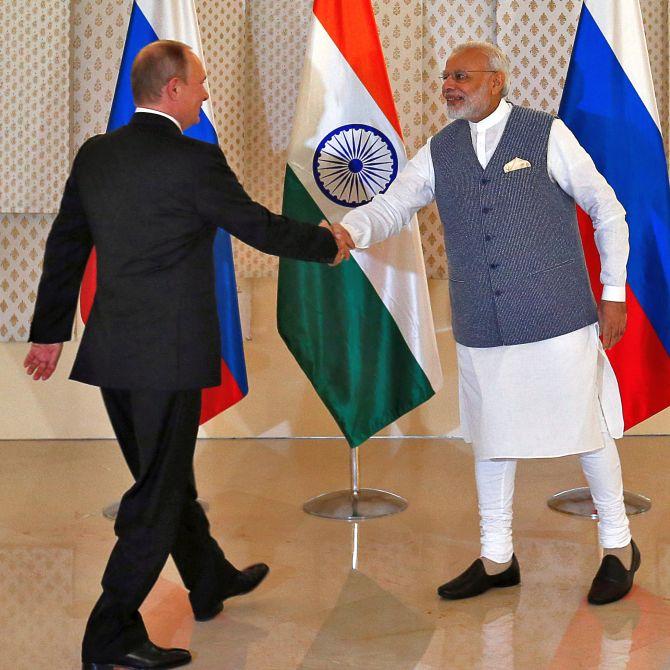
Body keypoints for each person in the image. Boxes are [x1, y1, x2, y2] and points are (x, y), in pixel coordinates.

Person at [25, 40, 349, 670]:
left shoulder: (97, 155)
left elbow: (66, 244)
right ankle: (110, 635)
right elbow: (255, 224)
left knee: (163, 478)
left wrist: (49, 332)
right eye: (200, 83)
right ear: (171, 88)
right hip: (166, 358)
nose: (205, 93)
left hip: (115, 355)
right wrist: (326, 243)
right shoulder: (194, 159)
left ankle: (208, 579)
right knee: (158, 495)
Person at [334, 41, 639, 606]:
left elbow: (607, 208)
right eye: (447, 76)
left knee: (587, 431)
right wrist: (348, 232)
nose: (450, 85)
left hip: (558, 317)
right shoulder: (439, 149)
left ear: (497, 82)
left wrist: (614, 293)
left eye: (463, 76)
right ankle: (497, 557)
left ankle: (618, 547)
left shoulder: (545, 133)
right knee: (491, 441)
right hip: (481, 322)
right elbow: (394, 204)